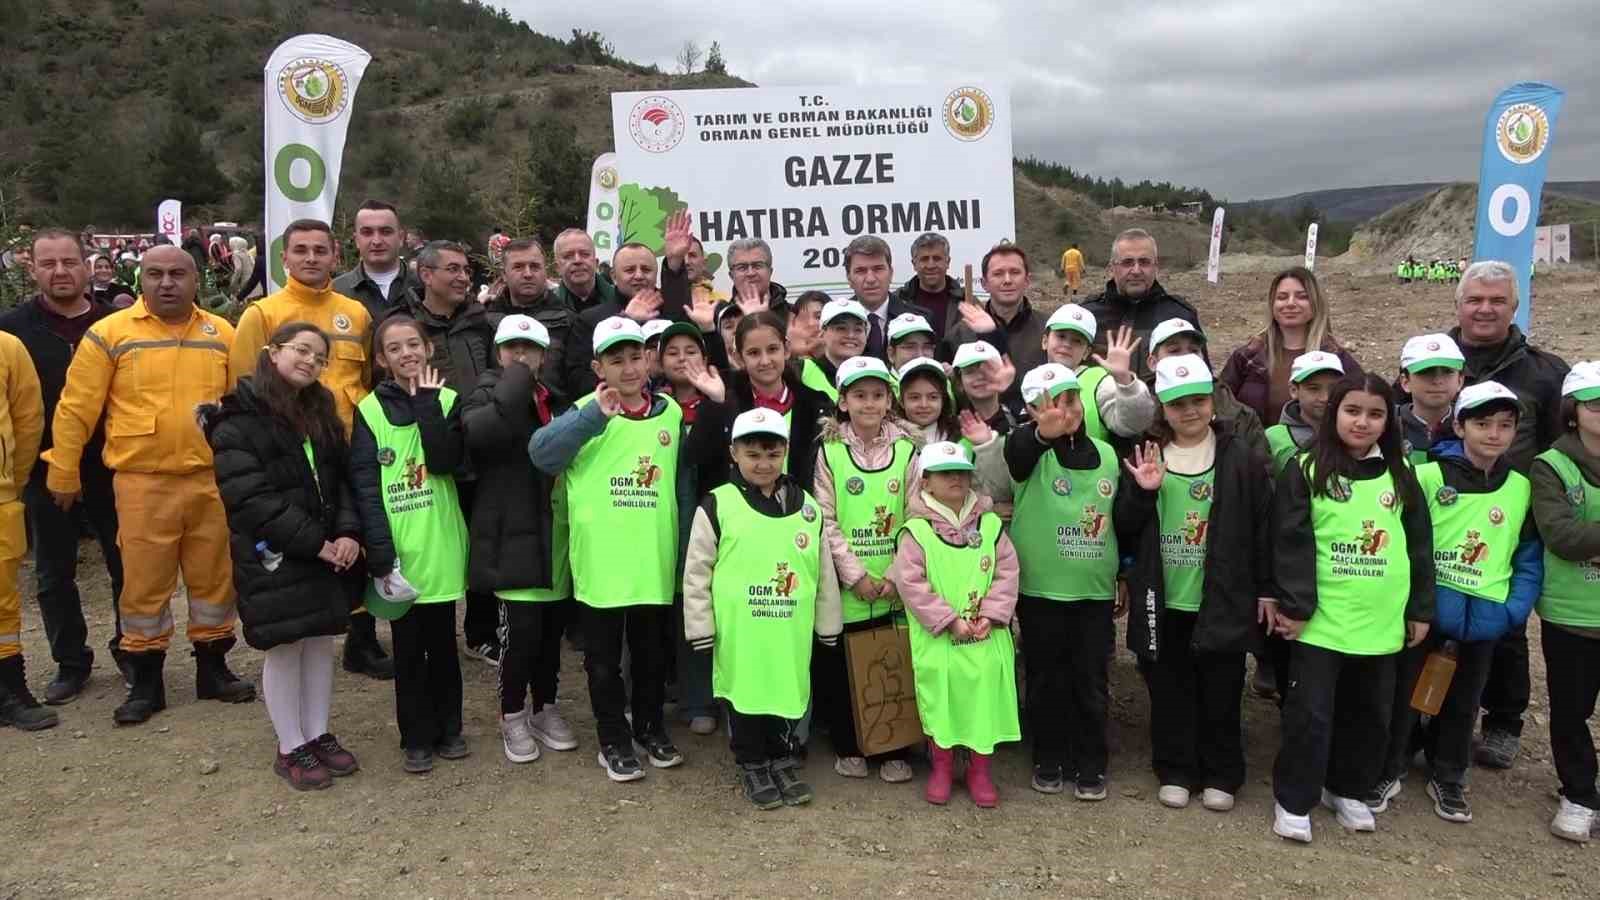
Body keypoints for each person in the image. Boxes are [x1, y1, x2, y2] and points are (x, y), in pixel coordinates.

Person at [44, 245, 254, 725]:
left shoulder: (221, 332)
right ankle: (145, 681)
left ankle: (214, 669)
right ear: (140, 279)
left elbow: (244, 405)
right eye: (155, 274)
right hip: (142, 483)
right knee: (143, 587)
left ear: (195, 279)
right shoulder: (110, 334)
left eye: (177, 274)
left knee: (214, 580)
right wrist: (63, 469)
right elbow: (77, 407)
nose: (166, 283)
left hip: (210, 482)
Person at [1267, 373, 1434, 844]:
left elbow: (1419, 546)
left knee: (1370, 714)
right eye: (1353, 411)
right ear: (1335, 413)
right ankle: (1294, 798)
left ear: (1389, 420)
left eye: (1376, 413)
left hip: (1381, 622)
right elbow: (1289, 542)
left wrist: (1420, 608)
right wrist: (1296, 606)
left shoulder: (1402, 473)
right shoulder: (1305, 468)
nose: (1363, 422)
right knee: (1310, 714)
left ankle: (1347, 789)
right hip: (1321, 621)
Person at [201, 323, 364, 790]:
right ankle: (290, 744)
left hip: (326, 550)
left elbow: (341, 478)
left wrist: (348, 531)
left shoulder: (322, 411)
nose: (310, 361)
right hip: (275, 554)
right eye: (301, 351)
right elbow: (250, 497)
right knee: (285, 644)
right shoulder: (236, 419)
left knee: (318, 642)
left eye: (319, 357)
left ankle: (318, 732)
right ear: (272, 353)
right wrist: (315, 543)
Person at [229, 220, 391, 680]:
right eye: (300, 250)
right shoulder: (262, 314)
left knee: (354, 534)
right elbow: (245, 384)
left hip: (348, 443)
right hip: (292, 452)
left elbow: (361, 380)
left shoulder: (354, 313)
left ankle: (361, 639)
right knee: (302, 545)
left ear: (335, 256)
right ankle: (302, 636)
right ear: (284, 259)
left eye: (320, 250)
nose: (311, 258)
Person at [1371, 381, 1539, 824]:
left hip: (1485, 614)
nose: (1493, 434)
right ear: (1459, 425)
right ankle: (1389, 767)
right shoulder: (1426, 476)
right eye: (1482, 423)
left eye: (1505, 425)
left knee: (1465, 698)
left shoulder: (1520, 487)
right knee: (1406, 691)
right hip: (1427, 611)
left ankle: (1448, 774)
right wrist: (1412, 605)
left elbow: (1527, 554)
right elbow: (1404, 544)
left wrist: (1512, 609)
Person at [530, 316, 685, 782]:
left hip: (652, 560)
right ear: (599, 367)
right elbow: (542, 454)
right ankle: (612, 739)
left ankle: (650, 727)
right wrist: (592, 416)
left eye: (636, 357)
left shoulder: (670, 413)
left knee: (651, 656)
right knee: (602, 663)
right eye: (616, 360)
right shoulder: (584, 412)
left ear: (649, 360)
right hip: (602, 564)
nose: (629, 368)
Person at [1117, 356, 1272, 813]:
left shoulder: (1239, 457)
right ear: (1162, 407)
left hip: (1220, 598)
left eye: (1199, 401)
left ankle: (1222, 771)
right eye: (1178, 403)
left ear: (1213, 402)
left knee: (1221, 688)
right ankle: (1175, 768)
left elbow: (1262, 526)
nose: (1190, 411)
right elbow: (1124, 525)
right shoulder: (1148, 454)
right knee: (1168, 687)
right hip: (1164, 599)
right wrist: (1142, 492)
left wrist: (1266, 588)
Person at [1439, 261, 1570, 771]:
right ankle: (1435, 716)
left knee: (1508, 625)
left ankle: (1503, 718)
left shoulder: (1544, 372)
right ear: (1459, 305)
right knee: (1441, 617)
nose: (1485, 309)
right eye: (1475, 299)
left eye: (1497, 300)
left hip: (1513, 513)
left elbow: (1563, 445)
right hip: (1448, 506)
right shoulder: (1438, 357)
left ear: (1515, 307)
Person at [683, 408, 841, 809]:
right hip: (742, 633)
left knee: (786, 692)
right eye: (752, 454)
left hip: (789, 630)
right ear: (734, 453)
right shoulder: (718, 505)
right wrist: (700, 627)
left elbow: (822, 571)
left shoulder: (807, 508)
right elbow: (697, 571)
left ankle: (782, 756)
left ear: (785, 452)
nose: (763, 463)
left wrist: (828, 623)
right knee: (747, 696)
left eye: (772, 453)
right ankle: (752, 761)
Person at [0, 231, 126, 704]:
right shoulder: (12, 330)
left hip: (112, 465)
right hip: (41, 467)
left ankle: (130, 651)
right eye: (48, 263)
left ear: (87, 265)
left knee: (125, 567)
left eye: (69, 262)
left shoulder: (117, 323)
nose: (60, 272)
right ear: (31, 268)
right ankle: (70, 662)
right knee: (54, 572)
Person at [349, 315, 470, 774]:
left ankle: (450, 728)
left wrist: (426, 406)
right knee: (407, 649)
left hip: (439, 546)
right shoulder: (369, 411)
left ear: (428, 350)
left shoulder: (449, 401)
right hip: (398, 551)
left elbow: (443, 463)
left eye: (413, 345)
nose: (407, 354)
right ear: (381, 359)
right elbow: (364, 486)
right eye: (395, 348)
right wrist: (379, 551)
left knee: (443, 644)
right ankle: (415, 736)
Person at [459, 315, 579, 763]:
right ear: (498, 352)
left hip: (554, 534)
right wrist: (513, 380)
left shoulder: (557, 400)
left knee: (550, 634)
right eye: (513, 349)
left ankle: (545, 707)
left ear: (545, 356)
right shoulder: (485, 395)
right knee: (520, 635)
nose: (522, 357)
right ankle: (512, 714)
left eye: (531, 351)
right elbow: (481, 436)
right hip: (511, 532)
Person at [1006, 363, 1123, 800]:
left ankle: (1091, 761)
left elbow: (1120, 520)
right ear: (1033, 410)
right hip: (1040, 591)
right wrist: (1042, 434)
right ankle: (1048, 756)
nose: (1065, 411)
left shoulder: (1108, 455)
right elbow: (1017, 454)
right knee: (1045, 679)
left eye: (1071, 400)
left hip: (1092, 591)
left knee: (1090, 679)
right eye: (1052, 404)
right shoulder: (1028, 452)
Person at [384, 240, 498, 662]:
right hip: (425, 452)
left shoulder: (480, 321)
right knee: (434, 542)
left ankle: (481, 631)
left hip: (478, 448)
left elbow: (494, 370)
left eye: (466, 270)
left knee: (481, 539)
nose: (463, 277)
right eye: (452, 269)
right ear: (425, 275)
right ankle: (428, 632)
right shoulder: (404, 325)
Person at [891, 440, 1021, 808]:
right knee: (942, 699)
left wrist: (993, 615)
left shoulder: (991, 525)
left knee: (983, 699)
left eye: (962, 474)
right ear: (926, 481)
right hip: (941, 637)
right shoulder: (916, 532)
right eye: (945, 474)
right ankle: (943, 767)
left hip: (984, 633)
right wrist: (948, 621)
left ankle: (979, 770)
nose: (956, 481)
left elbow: (1007, 571)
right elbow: (910, 582)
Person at [813, 355, 918, 784]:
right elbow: (825, 517)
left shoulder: (909, 450)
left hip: (895, 583)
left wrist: (894, 574)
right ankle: (850, 745)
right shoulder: (829, 451)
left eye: (877, 395)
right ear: (843, 401)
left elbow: (917, 516)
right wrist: (855, 574)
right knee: (845, 668)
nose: (869, 403)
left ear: (889, 400)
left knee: (894, 662)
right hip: (850, 584)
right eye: (859, 395)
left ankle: (895, 747)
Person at [1531, 361, 1600, 843]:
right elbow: (1563, 537)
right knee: (1571, 709)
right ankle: (1578, 793)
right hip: (1573, 613)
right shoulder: (1551, 465)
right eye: (1595, 404)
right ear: (1573, 411)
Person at [684, 311, 831, 496]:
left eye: (772, 349)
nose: (765, 361)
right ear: (739, 358)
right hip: (741, 517)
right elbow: (695, 459)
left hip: (802, 515)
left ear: (786, 349)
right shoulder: (727, 404)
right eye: (754, 353)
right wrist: (716, 404)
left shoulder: (816, 404)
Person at [1219, 267, 1362, 429]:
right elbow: (1219, 405)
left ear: (1316, 303)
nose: (1290, 303)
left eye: (1302, 297)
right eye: (1282, 297)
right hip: (1253, 451)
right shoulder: (1248, 356)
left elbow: (1361, 407)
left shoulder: (1336, 357)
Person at [0, 330, 48, 730]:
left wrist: (9, 483)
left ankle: (10, 690)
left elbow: (27, 418)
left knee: (2, 602)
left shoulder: (8, 348)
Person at [1144, 318, 1269, 469]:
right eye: (1174, 351)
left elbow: (1263, 476)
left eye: (1194, 350)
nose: (1186, 358)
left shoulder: (1240, 415)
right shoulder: (1138, 417)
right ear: (1153, 362)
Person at [1081, 229, 1200, 382]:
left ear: (1156, 266)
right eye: (1127, 262)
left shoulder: (1180, 315)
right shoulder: (1088, 315)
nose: (1136, 271)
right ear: (1111, 268)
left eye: (1144, 262)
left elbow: (1203, 377)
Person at [1037, 303, 1155, 441]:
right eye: (1061, 336)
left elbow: (1134, 424)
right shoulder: (1032, 379)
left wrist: (1125, 382)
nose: (1067, 344)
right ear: (1045, 341)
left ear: (1086, 352)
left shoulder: (1100, 381)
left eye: (1077, 341)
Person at [484, 239, 571, 395]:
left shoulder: (568, 320)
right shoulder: (485, 321)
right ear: (504, 274)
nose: (528, 274)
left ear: (546, 272)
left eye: (535, 267)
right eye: (518, 267)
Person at [940, 243, 1034, 373]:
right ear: (984, 284)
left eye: (1015, 272)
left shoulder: (1049, 330)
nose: (1007, 280)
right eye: (998, 273)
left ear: (1027, 280)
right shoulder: (961, 334)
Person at [841, 236, 930, 362]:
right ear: (849, 279)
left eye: (878, 269)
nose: (870, 279)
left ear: (891, 273)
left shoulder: (921, 319)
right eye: (861, 271)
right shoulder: (834, 324)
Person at [334, 200, 422, 321]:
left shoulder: (426, 286)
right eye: (367, 233)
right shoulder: (336, 291)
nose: (377, 241)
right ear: (356, 240)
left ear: (401, 238)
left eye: (386, 232)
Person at [1265, 352, 1346, 473]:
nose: (1325, 397)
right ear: (1294, 390)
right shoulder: (1272, 437)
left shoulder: (1352, 432)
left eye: (1333, 388)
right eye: (1314, 388)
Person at [1396, 333, 1467, 464]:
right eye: (1425, 372)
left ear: (1460, 380)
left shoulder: (1472, 426)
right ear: (1405, 382)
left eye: (1447, 371)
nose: (1437, 380)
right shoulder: (1387, 425)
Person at [890, 233, 963, 342]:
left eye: (937, 258)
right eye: (924, 259)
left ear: (947, 262)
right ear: (914, 264)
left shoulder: (967, 300)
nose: (931, 265)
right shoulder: (898, 300)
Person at [804, 298, 870, 403]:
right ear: (822, 334)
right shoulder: (802, 371)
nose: (851, 335)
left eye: (858, 329)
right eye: (841, 328)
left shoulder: (880, 374)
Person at [952, 341, 1023, 437]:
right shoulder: (952, 428)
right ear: (959, 382)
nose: (980, 376)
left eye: (988, 369)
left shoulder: (1022, 414)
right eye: (970, 371)